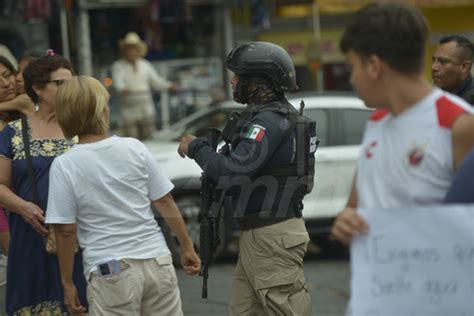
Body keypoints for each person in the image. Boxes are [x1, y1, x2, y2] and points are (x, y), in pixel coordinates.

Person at [178, 41, 314, 315]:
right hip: (259, 234)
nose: (232, 81)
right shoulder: (267, 117)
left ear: (258, 81)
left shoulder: (269, 122)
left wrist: (195, 147)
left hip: (271, 236)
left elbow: (232, 171)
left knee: (283, 308)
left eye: (238, 76)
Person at [46, 75, 201, 315]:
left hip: (110, 269)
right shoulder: (135, 147)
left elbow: (65, 231)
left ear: (64, 115)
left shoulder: (65, 164)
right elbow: (165, 201)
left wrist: (67, 283)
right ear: (104, 111)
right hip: (157, 261)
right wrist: (187, 246)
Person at [330, 3, 474, 244]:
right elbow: (354, 209)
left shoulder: (459, 124)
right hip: (379, 279)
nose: (352, 79)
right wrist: (346, 223)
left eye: (352, 67)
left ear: (374, 66)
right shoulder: (376, 122)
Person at [0, 52, 88, 315]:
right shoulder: (13, 133)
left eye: (70, 82)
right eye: (59, 83)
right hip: (30, 237)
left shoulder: (83, 126)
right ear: (37, 88)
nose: (67, 89)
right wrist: (24, 208)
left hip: (80, 239)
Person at [111, 32, 177, 140]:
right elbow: (118, 83)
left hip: (146, 110)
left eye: (134, 48)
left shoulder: (145, 64)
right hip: (129, 112)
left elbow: (156, 81)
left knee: (149, 139)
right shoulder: (118, 66)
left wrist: (169, 86)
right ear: (124, 50)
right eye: (129, 48)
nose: (132, 51)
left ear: (138, 50)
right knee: (131, 141)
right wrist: (122, 89)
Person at [432, 35, 474, 105]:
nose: (434, 67)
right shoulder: (435, 95)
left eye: (442, 61)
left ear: (464, 67)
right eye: (433, 60)